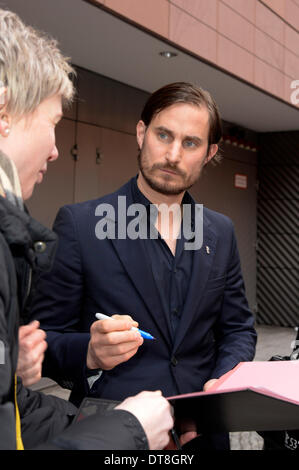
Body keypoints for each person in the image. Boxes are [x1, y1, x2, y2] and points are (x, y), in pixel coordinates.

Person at [31, 81, 257, 449]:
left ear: (209, 152)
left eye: (190, 142)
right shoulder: (81, 225)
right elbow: (43, 341)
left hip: (204, 433)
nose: (172, 154)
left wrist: (219, 386)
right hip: (115, 433)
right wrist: (89, 352)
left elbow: (238, 330)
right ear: (141, 132)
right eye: (163, 135)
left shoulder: (221, 231)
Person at [0, 8, 174, 450]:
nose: (58, 150)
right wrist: (128, 430)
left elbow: (15, 413)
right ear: (4, 111)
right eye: (54, 123)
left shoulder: (219, 231)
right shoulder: (78, 223)